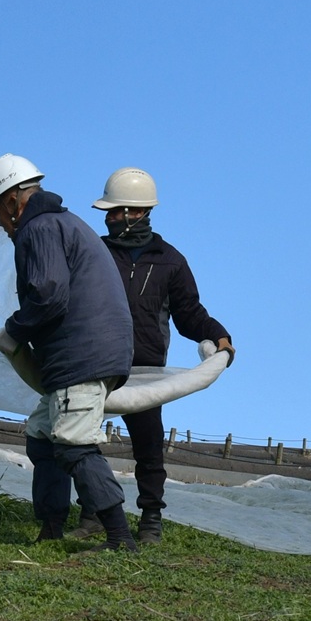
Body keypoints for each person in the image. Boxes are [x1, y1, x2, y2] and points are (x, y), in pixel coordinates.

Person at [0, 153, 140, 552]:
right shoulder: (63, 223)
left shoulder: (41, 228)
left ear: (14, 200)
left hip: (82, 356)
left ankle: (120, 538)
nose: (0, 224)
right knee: (41, 434)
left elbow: (49, 295)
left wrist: (14, 330)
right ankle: (51, 526)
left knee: (72, 442)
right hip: (91, 350)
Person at [94, 167, 235, 545]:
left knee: (149, 446)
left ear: (135, 213)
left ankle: (151, 518)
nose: (107, 218)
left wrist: (218, 336)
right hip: (97, 362)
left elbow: (190, 314)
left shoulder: (171, 261)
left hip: (145, 371)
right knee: (82, 440)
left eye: (113, 211)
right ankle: (94, 512)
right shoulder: (96, 253)